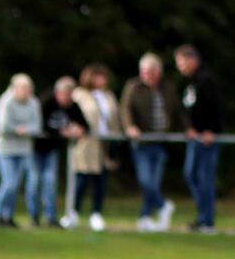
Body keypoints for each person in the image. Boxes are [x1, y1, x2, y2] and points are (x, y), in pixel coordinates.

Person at [120, 53, 184, 232]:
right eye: (144, 72)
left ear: (158, 72)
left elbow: (178, 111)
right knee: (145, 179)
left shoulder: (168, 88)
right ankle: (163, 205)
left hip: (161, 141)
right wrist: (130, 127)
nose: (147, 75)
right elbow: (125, 108)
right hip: (142, 142)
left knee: (154, 182)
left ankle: (145, 217)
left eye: (150, 72)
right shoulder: (134, 87)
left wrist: (187, 128)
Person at [64, 62, 118, 232]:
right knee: (81, 179)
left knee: (100, 180)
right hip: (85, 144)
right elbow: (70, 116)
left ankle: (97, 214)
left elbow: (114, 120)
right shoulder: (80, 94)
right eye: (99, 76)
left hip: (103, 144)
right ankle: (73, 213)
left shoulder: (108, 96)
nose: (102, 80)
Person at [176, 44, 222, 234]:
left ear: (192, 60)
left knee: (205, 178)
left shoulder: (206, 80)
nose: (180, 66)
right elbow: (189, 110)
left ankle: (207, 220)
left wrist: (212, 130)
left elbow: (216, 107)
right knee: (191, 175)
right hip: (195, 138)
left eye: (181, 61)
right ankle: (202, 214)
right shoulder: (190, 83)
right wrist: (189, 128)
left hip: (207, 139)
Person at [32, 76, 84, 227]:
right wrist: (62, 131)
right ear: (58, 92)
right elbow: (39, 125)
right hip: (36, 149)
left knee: (50, 182)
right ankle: (34, 217)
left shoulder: (72, 105)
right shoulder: (46, 102)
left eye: (70, 95)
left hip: (52, 150)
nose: (67, 99)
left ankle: (51, 217)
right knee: (35, 182)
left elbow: (84, 123)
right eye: (65, 95)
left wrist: (80, 129)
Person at [0, 74, 40, 228]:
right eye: (24, 89)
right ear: (15, 89)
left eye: (29, 90)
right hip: (5, 148)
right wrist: (17, 130)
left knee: (17, 184)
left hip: (24, 149)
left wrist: (26, 130)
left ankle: (9, 216)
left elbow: (37, 126)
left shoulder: (34, 102)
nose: (27, 93)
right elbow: (3, 126)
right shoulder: (6, 101)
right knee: (9, 183)